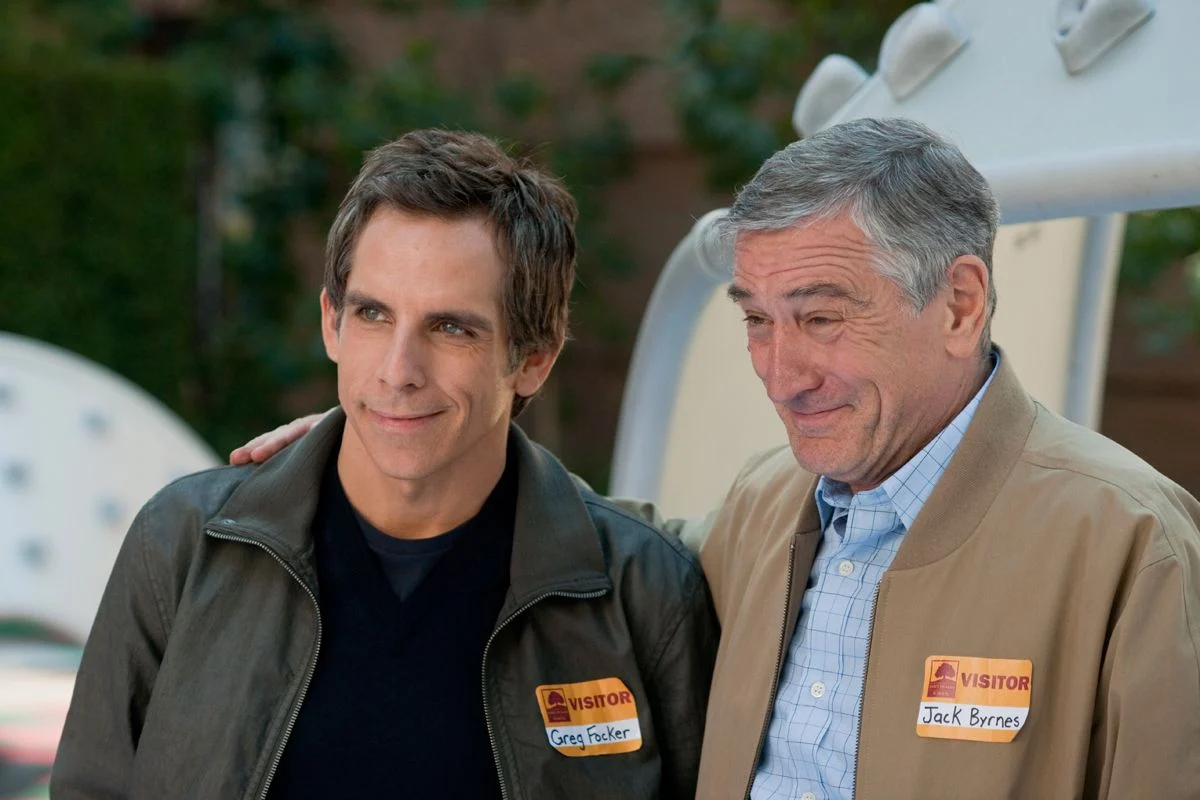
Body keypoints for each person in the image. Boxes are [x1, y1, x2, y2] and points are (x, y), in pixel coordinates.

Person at [231, 118, 1200, 799]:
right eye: (757, 321)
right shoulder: (766, 507)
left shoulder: (1129, 542)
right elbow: (592, 545)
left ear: (959, 303)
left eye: (821, 318)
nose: (782, 372)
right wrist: (395, 438)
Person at [52, 129, 718, 800]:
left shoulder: (644, 593)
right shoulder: (183, 545)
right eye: (372, 314)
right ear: (331, 323)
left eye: (451, 328)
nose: (399, 371)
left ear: (534, 359)